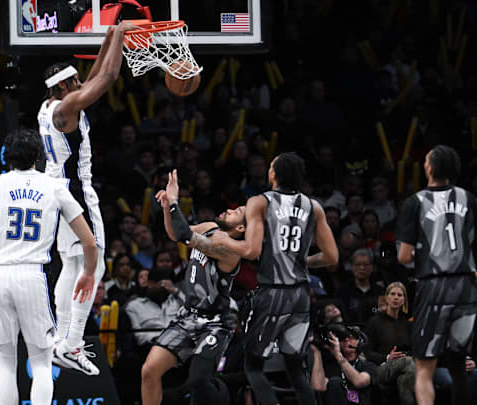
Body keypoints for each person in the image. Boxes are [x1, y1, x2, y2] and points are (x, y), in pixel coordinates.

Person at [0, 128, 98, 405]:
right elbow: (89, 243)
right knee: (42, 362)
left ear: (6, 157)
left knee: (5, 364)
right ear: (39, 156)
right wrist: (89, 274)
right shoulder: (54, 186)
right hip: (31, 274)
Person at [37, 20, 136, 375]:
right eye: (74, 82)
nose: (82, 85)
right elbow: (106, 80)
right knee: (95, 264)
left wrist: (109, 38)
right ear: (63, 86)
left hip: (56, 192)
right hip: (75, 192)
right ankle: (73, 343)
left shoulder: (50, 107)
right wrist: (122, 37)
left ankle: (62, 339)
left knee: (71, 265)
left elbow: (92, 79)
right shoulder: (66, 110)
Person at [213, 152, 339, 405]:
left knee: (254, 367)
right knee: (295, 368)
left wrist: (224, 240)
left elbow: (251, 250)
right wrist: (304, 261)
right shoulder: (313, 206)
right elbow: (332, 257)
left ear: (273, 174)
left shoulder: (260, 201)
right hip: (302, 296)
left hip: (272, 293)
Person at [140, 169, 245, 405]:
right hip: (188, 314)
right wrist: (168, 206)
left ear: (240, 229)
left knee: (198, 381)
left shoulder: (231, 250)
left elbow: (186, 235)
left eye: (236, 212)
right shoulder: (209, 226)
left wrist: (175, 200)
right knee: (149, 370)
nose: (229, 209)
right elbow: (175, 233)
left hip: (216, 321)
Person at [396, 145, 477, 405]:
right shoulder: (469, 198)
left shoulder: (416, 202)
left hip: (433, 287)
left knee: (424, 367)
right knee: (459, 366)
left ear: (428, 168)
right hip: (466, 287)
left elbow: (403, 257)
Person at [364, 281, 416, 405]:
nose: (396, 297)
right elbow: (366, 352)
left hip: (407, 366)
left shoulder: (407, 324)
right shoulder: (374, 322)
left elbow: (414, 347)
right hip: (381, 366)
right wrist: (387, 357)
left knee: (405, 378)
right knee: (409, 363)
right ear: (386, 297)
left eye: (400, 295)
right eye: (392, 294)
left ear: (404, 300)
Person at [310, 325, 378, 405]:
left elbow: (359, 381)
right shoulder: (330, 365)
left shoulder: (368, 365)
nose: (346, 339)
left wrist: (338, 355)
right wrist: (317, 352)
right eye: (342, 338)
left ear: (360, 342)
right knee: (335, 383)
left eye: (351, 337)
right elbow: (318, 386)